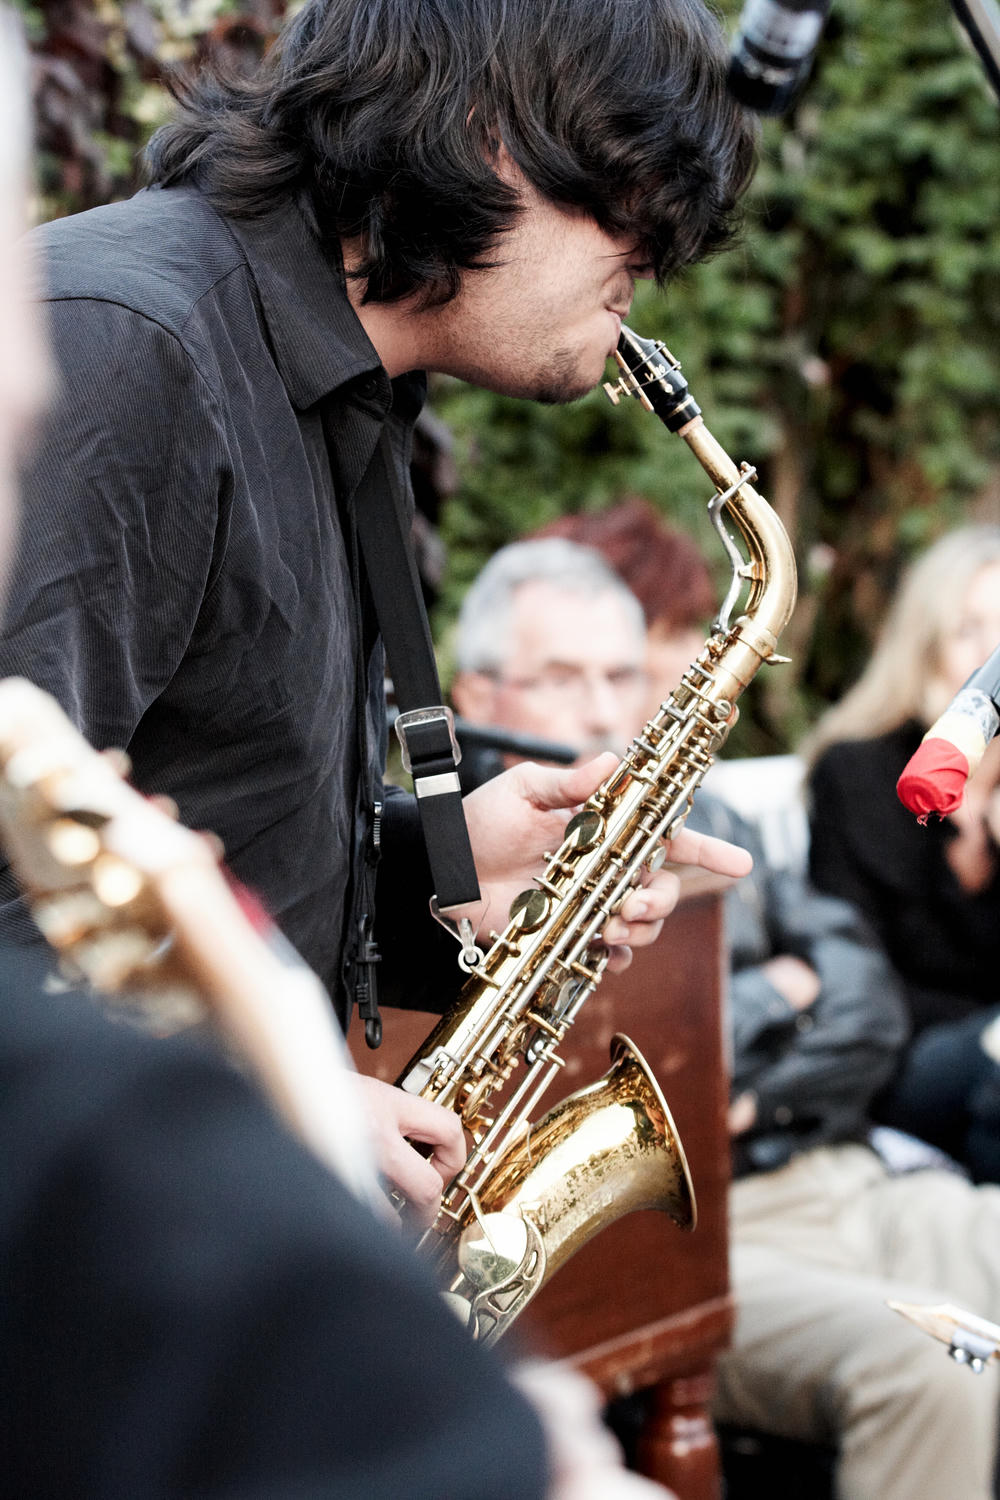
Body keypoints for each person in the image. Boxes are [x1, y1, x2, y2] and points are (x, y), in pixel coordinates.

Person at [0, 16, 674, 1497]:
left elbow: (154, 831)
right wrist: (275, 1092)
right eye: (633, 196)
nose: (658, 256)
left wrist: (436, 868)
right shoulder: (133, 344)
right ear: (495, 138)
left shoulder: (337, 386)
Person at [458, 511, 1000, 1500]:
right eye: (562, 678)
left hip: (847, 1175)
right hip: (700, 1232)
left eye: (622, 677)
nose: (600, 710)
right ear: (476, 694)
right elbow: (587, 1070)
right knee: (942, 1367)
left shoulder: (709, 814)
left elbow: (869, 999)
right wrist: (776, 995)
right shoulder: (465, 871)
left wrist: (753, 1065)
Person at [805, 525, 1000, 1183]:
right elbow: (855, 972)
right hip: (901, 1053)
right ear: (924, 647)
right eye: (969, 631)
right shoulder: (857, 774)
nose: (992, 659)